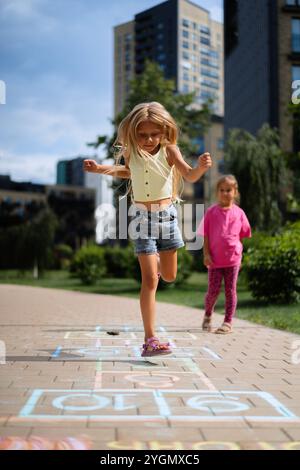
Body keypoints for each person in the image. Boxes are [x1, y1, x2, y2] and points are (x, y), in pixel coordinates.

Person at [84, 101, 212, 355]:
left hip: (167, 219)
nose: (149, 139)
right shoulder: (133, 152)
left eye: (155, 134)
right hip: (142, 220)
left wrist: (201, 168)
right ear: (133, 133)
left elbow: (189, 175)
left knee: (170, 276)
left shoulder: (170, 151)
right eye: (142, 134)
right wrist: (100, 169)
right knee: (149, 280)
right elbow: (127, 171)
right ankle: (150, 339)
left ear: (164, 131)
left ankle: (155, 259)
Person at [197, 175, 251, 334]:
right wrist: (206, 254)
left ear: (235, 192)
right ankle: (208, 315)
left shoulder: (240, 213)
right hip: (214, 260)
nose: (225, 193)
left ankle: (228, 322)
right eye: (222, 190)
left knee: (230, 290)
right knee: (213, 291)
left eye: (229, 190)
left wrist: (238, 253)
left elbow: (243, 235)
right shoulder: (211, 212)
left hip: (233, 260)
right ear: (217, 192)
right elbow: (205, 235)